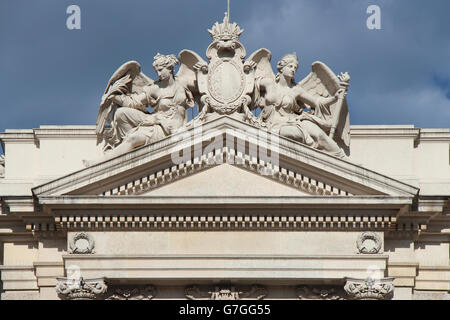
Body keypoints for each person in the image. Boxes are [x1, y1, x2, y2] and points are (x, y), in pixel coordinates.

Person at [84, 54, 194, 166]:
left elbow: (203, 83)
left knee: (134, 138)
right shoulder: (155, 88)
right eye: (157, 71)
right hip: (160, 124)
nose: (159, 74)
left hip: (173, 128)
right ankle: (115, 156)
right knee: (121, 114)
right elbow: (134, 102)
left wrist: (206, 98)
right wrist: (113, 97)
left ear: (170, 68)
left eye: (161, 70)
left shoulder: (183, 82)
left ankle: (116, 154)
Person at [256, 53, 346, 158]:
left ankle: (341, 158)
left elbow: (317, 102)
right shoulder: (268, 83)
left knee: (320, 135)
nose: (293, 70)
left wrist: (335, 98)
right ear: (281, 67)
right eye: (290, 66)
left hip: (294, 121)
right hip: (274, 124)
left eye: (295, 68)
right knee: (296, 134)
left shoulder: (296, 89)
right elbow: (250, 83)